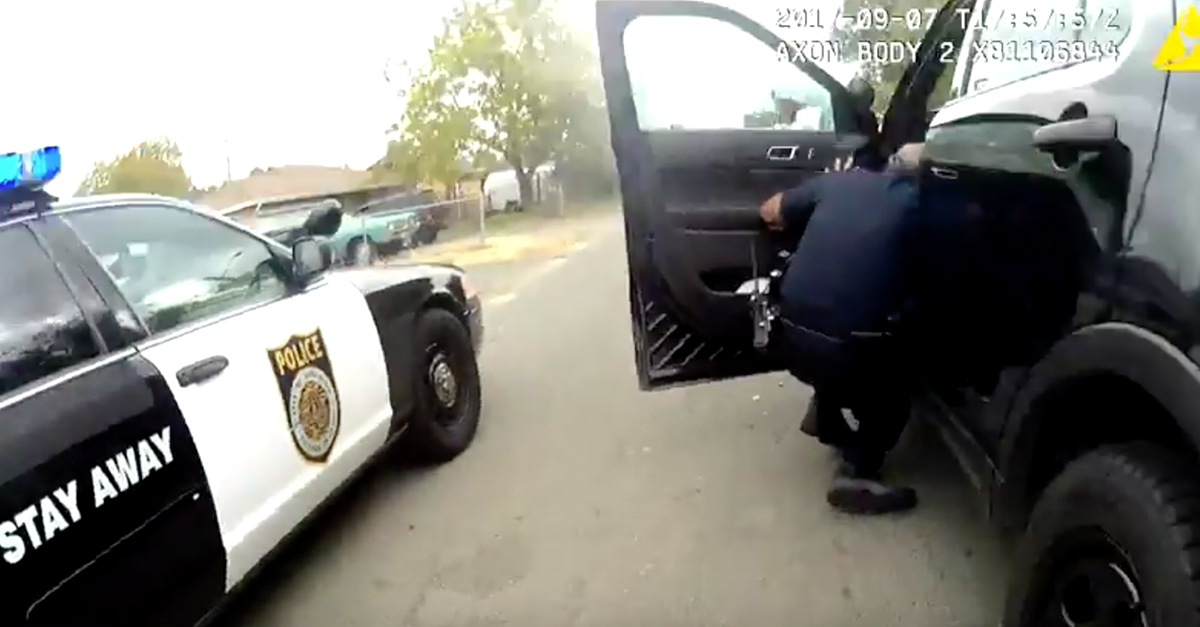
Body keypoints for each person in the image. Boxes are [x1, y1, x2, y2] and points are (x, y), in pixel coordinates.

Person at [759, 143, 926, 515]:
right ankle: (856, 470)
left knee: (841, 323)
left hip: (788, 337)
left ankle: (828, 416)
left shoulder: (837, 182)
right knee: (895, 391)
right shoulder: (922, 205)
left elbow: (768, 210)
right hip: (846, 350)